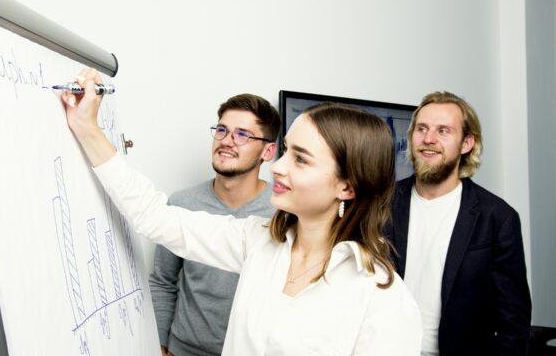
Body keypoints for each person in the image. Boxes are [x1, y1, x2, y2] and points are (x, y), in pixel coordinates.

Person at [62, 69, 422, 355]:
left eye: (300, 159)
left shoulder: (381, 298)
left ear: (347, 186)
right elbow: (155, 217)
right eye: (285, 152)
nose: (279, 167)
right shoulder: (259, 242)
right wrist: (87, 127)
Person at [386, 91, 531, 355]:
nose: (429, 139)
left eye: (443, 131)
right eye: (422, 129)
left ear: (466, 143)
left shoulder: (497, 218)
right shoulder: (381, 205)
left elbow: (514, 322)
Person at [148, 93, 280, 356]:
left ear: (267, 151)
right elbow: (163, 281)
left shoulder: (282, 214)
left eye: (242, 134)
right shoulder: (182, 203)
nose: (227, 141)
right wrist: (161, 344)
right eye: (222, 130)